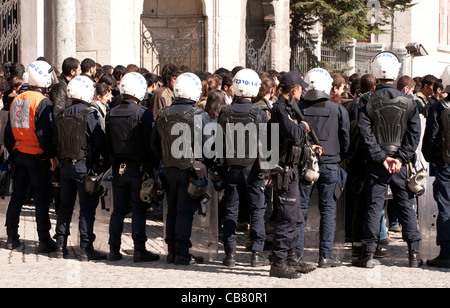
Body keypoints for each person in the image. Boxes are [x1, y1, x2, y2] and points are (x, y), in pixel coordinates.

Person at [352, 52, 423, 268]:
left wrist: (381, 157)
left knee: (374, 206)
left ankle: (368, 253)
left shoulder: (366, 101)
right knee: (406, 205)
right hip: (399, 165)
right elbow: (414, 135)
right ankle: (413, 254)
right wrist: (400, 158)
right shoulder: (410, 102)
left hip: (377, 163)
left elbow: (366, 134)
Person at [152, 72, 210, 265]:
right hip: (190, 171)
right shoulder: (200, 115)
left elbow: (155, 144)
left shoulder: (163, 114)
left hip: (168, 169)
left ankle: (172, 252)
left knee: (172, 211)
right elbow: (210, 146)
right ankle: (183, 254)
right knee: (185, 213)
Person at [269, 71, 321, 279]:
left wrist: (310, 146)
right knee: (287, 218)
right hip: (284, 171)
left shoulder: (289, 108)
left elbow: (294, 141)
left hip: (293, 170)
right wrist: (303, 127)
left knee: (296, 217)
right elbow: (292, 133)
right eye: (301, 87)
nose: (303, 90)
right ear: (294, 90)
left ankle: (291, 257)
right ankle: (278, 262)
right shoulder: (280, 109)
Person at [3, 60, 59, 252]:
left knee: (17, 196)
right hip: (37, 155)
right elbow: (44, 133)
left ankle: (11, 235)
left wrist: (13, 152)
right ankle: (44, 239)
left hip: (20, 154)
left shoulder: (17, 98)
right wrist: (52, 156)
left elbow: (8, 133)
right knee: (41, 198)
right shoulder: (42, 101)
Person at [297, 68, 351, 268]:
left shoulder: (298, 107)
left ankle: (298, 254)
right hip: (330, 162)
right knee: (328, 210)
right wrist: (339, 156)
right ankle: (325, 256)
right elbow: (346, 139)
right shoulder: (338, 109)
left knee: (301, 211)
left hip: (305, 163)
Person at [218, 68, 269, 268]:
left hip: (232, 168)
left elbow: (219, 142)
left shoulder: (225, 111)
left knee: (230, 211)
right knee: (257, 210)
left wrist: (222, 169)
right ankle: (256, 253)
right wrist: (266, 171)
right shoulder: (260, 112)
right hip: (254, 168)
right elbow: (267, 145)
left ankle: (230, 254)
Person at [106, 72, 159, 263]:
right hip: (138, 168)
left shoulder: (111, 112)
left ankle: (113, 249)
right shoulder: (142, 113)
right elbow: (149, 144)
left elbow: (107, 143)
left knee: (118, 210)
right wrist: (151, 168)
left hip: (118, 167)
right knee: (139, 209)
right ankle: (139, 249)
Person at [53, 75, 108, 261]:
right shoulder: (89, 114)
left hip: (65, 165)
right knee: (86, 207)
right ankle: (85, 247)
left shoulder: (61, 114)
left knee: (65, 206)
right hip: (83, 166)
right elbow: (99, 141)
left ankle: (60, 245)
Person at [421, 65, 450, 268]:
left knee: (446, 207)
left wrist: (434, 158)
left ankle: (447, 252)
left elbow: (429, 140)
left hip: (445, 165)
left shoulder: (439, 107)